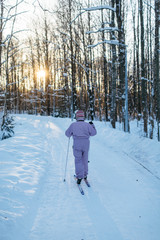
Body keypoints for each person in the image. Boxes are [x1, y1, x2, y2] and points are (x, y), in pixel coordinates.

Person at [65, 110, 97, 184]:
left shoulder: (73, 125)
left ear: (76, 117)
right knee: (85, 160)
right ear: (83, 116)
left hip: (77, 144)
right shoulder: (87, 125)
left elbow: (67, 134)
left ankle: (79, 176)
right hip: (86, 144)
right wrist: (92, 126)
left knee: (78, 160)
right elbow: (94, 133)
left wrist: (72, 133)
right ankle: (85, 175)